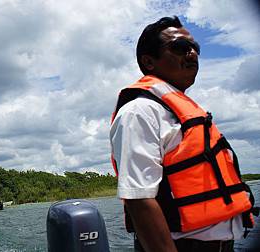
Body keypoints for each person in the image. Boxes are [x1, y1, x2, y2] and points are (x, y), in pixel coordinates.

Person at [110, 16, 258, 252]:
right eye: (180, 48)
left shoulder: (181, 112)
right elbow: (139, 199)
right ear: (149, 61)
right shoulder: (139, 112)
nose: (192, 54)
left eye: (195, 48)